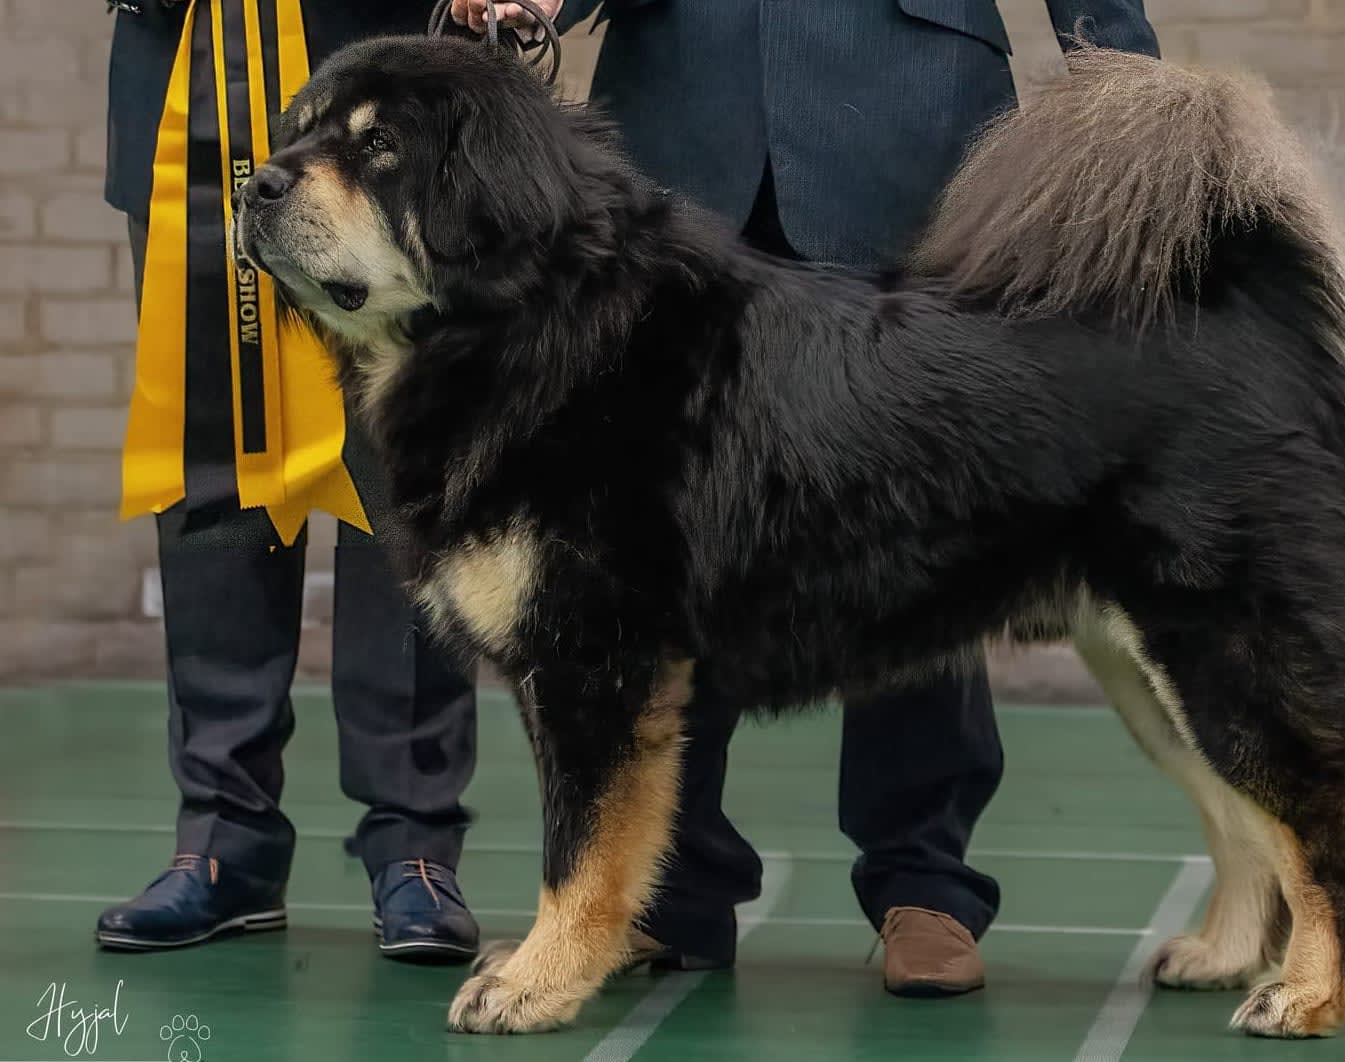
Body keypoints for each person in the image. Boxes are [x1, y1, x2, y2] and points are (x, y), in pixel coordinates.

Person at [454, 0, 1159, 996]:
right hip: (677, 124)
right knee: (656, 548)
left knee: (923, 530)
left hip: (909, 123)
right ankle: (666, 893)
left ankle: (925, 885)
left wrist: (1129, 90)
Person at [97, 0, 480, 962]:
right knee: (216, 465)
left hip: (393, 90)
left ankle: (414, 841)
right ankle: (223, 840)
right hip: (189, 73)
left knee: (401, 473)